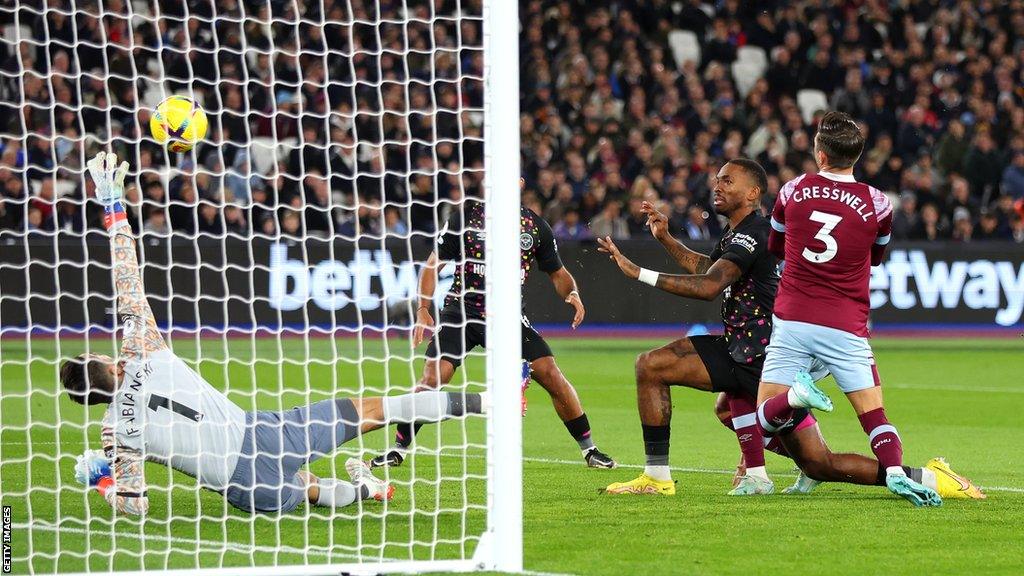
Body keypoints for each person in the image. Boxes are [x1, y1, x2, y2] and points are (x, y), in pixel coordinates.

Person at [64, 153, 488, 515]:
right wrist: (113, 205)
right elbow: (127, 278)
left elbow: (135, 503)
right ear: (112, 363)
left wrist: (104, 480)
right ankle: (489, 401)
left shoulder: (114, 431)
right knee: (382, 409)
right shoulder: (141, 350)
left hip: (246, 490)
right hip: (264, 433)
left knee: (308, 487)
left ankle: (366, 488)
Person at [596, 158, 984, 501]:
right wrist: (666, 240)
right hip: (739, 348)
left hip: (766, 358)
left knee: (822, 463)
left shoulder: (756, 233)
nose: (716, 185)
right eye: (717, 179)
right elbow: (707, 270)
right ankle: (662, 476)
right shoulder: (740, 231)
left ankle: (930, 478)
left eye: (727, 181)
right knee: (657, 369)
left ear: (753, 192)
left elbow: (710, 286)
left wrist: (638, 273)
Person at [757, 111, 976, 506]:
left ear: (820, 154)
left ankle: (794, 399)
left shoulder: (792, 190)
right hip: (846, 324)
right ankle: (895, 472)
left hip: (792, 318)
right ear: (855, 157)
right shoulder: (878, 203)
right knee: (873, 414)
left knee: (765, 417)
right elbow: (876, 256)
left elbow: (776, 247)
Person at [369, 183, 615, 470]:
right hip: (462, 310)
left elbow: (558, 273)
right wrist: (423, 309)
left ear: (520, 184)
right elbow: (432, 265)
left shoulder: (534, 227)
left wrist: (571, 293)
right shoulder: (466, 218)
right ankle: (398, 448)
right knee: (435, 377)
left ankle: (590, 449)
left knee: (550, 372)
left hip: (507, 318)